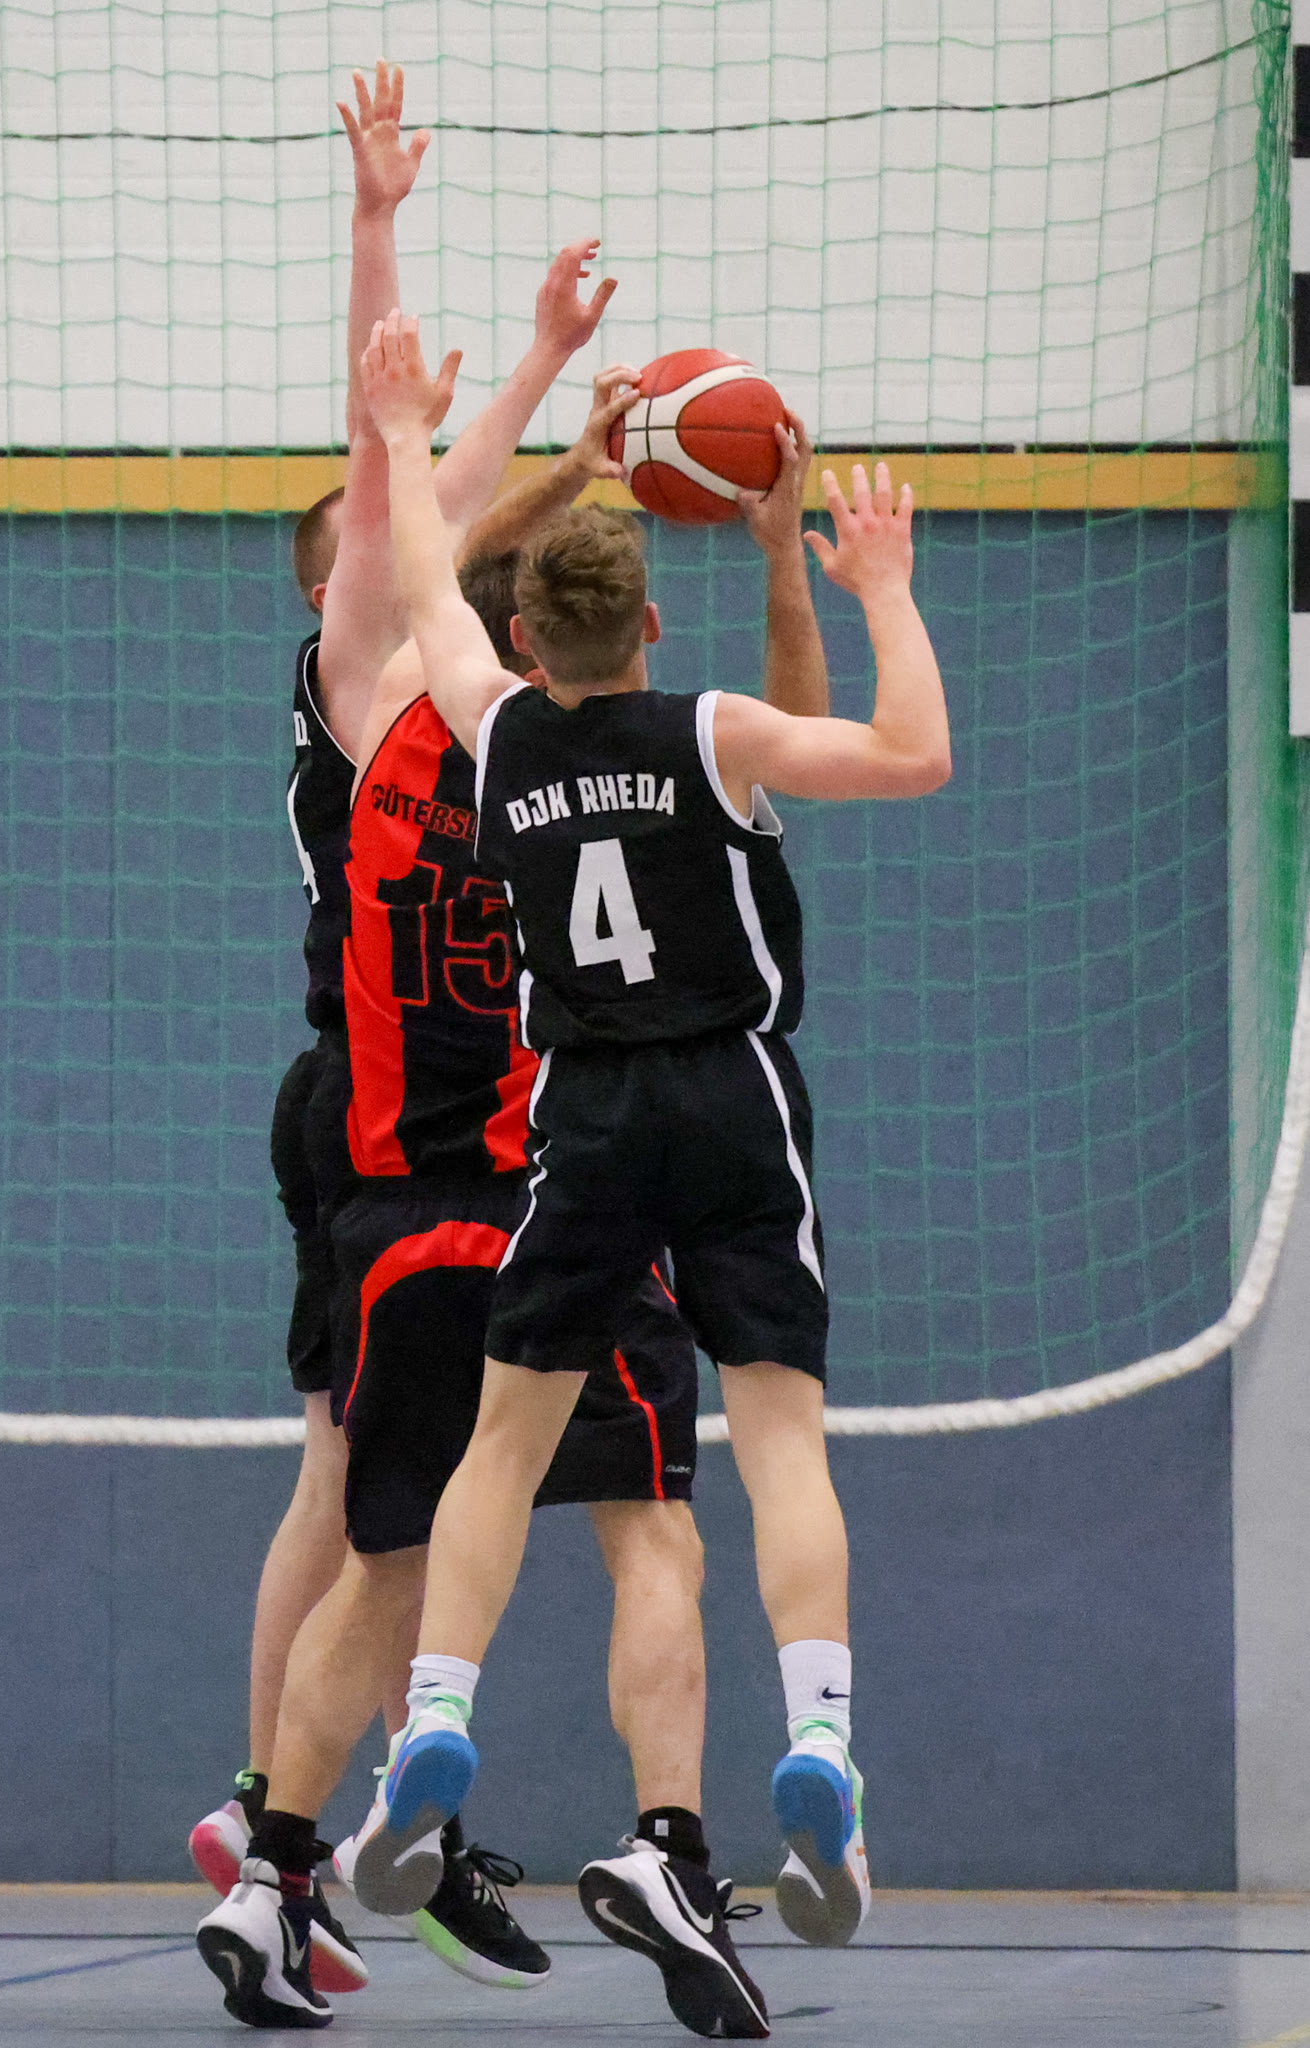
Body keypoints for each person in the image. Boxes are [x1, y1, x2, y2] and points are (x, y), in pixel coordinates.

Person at [195, 393, 834, 2043]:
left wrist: (482, 443)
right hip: (551, 1187)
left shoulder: (392, 749)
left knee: (384, 1562)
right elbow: (807, 738)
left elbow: (417, 559)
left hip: (386, 1205)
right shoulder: (582, 767)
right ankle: (671, 1846)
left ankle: (271, 1871)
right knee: (651, 1530)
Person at [349, 311, 951, 1988]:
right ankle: (819, 1740)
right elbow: (909, 755)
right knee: (777, 1439)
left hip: (585, 1111)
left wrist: (398, 434)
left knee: (499, 1443)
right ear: (650, 626)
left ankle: (435, 1721)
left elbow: (421, 583)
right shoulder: (715, 734)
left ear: (524, 636)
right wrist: (873, 584)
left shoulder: (497, 735)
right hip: (735, 1098)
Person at [188, 60, 619, 1998]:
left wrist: (535, 377)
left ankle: (310, 1823)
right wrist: (381, 249)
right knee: (380, 1509)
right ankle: (306, 1820)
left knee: (378, 1498)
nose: (427, 501)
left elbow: (445, 525)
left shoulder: (458, 692)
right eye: (398, 494)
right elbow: (404, 516)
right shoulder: (360, 662)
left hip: (418, 1125)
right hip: (386, 1126)